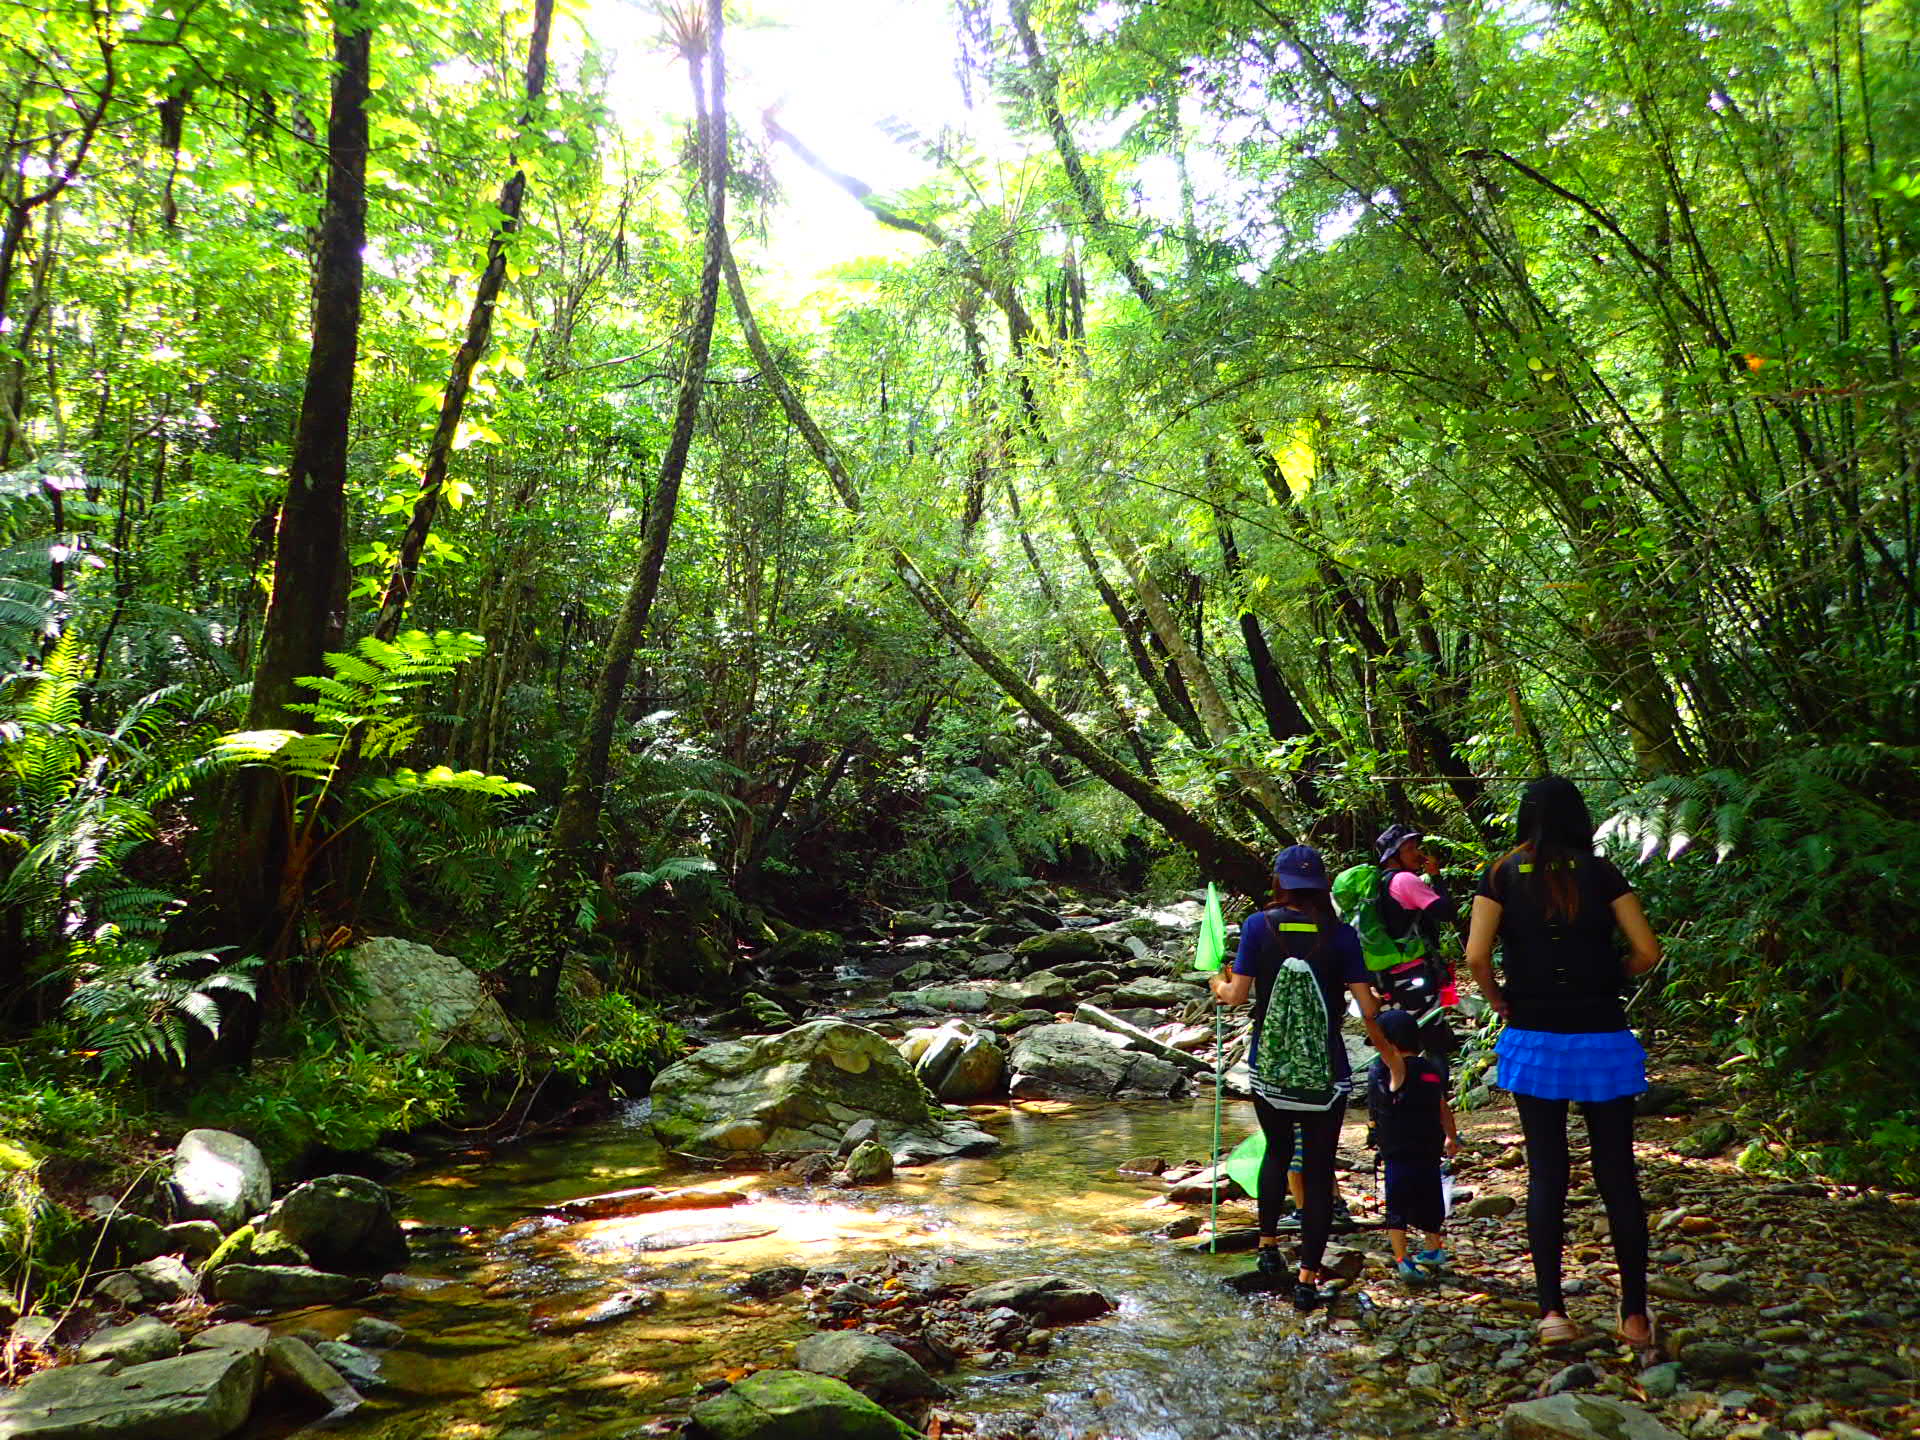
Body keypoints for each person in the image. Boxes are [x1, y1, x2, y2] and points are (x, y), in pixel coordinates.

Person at [1464, 776, 1663, 1355]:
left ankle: (1552, 1312)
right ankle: (1633, 1317)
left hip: (1535, 1037)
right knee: (1617, 1175)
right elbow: (1647, 951)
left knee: (1547, 1171)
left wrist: (1498, 995)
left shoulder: (1501, 873)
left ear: (1526, 818)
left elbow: (1476, 955)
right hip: (1602, 1034)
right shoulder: (1601, 874)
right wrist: (1610, 977)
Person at [1212, 844, 1387, 1311]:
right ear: (1321, 887)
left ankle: (1268, 1247)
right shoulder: (1342, 934)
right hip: (1326, 1074)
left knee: (1277, 1152)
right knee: (1318, 1165)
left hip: (1270, 1068)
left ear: (1280, 883)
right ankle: (1308, 1277)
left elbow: (1235, 995)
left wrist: (1217, 981)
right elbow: (1367, 1007)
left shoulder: (1257, 926)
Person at [1368, 1007, 1458, 1284]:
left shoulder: (1398, 1068)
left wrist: (1368, 1018)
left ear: (1390, 1043)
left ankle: (1402, 1258)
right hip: (1429, 1148)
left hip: (1400, 1151)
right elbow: (1443, 1106)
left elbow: (1385, 1048)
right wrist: (1451, 1137)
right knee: (1430, 1198)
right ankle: (1433, 1249)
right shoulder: (1430, 1069)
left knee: (1397, 1204)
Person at [1373, 823, 1461, 1054]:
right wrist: (1436, 877)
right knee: (1434, 1041)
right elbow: (1446, 911)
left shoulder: (1381, 883)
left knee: (1405, 1043)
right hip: (1413, 976)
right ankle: (1433, 1087)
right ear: (1393, 855)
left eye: (1416, 847)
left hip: (1390, 976)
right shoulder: (1404, 880)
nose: (1417, 853)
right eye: (1409, 849)